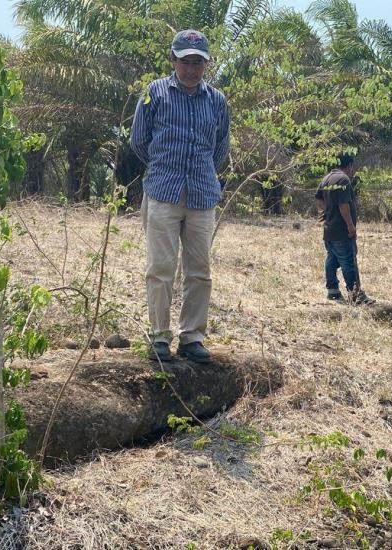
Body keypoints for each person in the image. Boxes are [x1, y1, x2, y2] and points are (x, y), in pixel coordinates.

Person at [130, 29, 230, 363]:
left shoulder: (217, 101)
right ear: (173, 60)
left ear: (206, 65)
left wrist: (201, 172)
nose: (191, 69)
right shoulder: (154, 93)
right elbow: (139, 141)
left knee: (199, 270)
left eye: (198, 62)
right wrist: (163, 168)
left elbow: (220, 149)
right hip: (163, 193)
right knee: (160, 268)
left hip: (202, 196)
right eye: (185, 61)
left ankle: (192, 338)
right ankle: (159, 337)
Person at [315, 153, 374, 305]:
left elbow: (319, 199)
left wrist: (326, 213)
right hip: (342, 230)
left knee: (332, 259)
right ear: (349, 165)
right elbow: (344, 205)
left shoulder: (326, 178)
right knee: (348, 261)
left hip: (329, 230)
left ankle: (332, 290)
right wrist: (350, 226)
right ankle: (356, 295)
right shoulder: (343, 179)